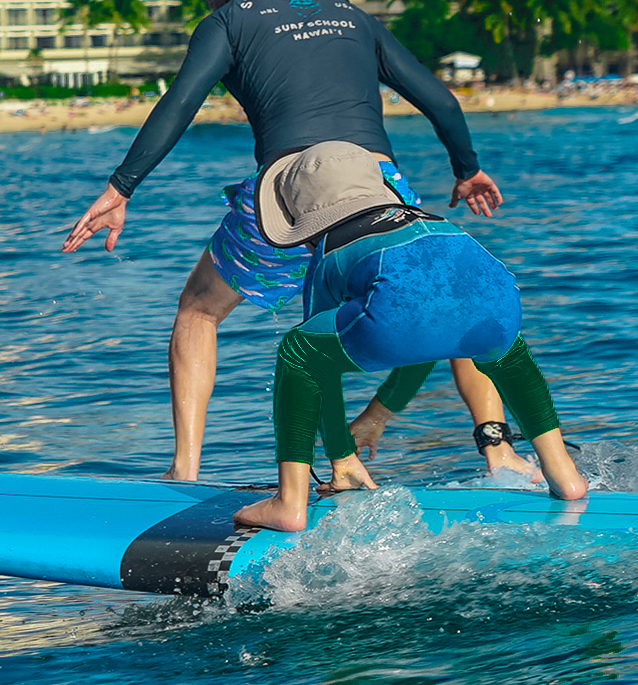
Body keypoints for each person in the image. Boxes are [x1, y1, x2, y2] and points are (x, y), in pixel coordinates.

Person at [59, 0, 538, 483]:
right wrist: (467, 170)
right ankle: (499, 451)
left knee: (199, 310)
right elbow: (440, 100)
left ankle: (184, 470)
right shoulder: (355, 17)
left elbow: (179, 104)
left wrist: (121, 187)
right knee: (448, 298)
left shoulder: (226, 22)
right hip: (378, 188)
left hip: (289, 195)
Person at [228, 140, 585, 533]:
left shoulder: (329, 251)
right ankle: (563, 474)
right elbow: (430, 336)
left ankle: (288, 502)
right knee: (509, 355)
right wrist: (377, 414)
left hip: (402, 314)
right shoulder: (425, 220)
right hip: (496, 294)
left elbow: (318, 374)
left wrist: (341, 457)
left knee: (298, 353)